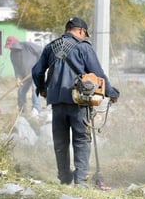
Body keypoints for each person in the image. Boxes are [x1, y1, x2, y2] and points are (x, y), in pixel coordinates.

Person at [31, 17, 119, 187]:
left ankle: (64, 178)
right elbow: (98, 74)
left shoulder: (51, 47)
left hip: (56, 102)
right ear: (81, 31)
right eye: (85, 34)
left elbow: (36, 71)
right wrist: (111, 93)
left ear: (67, 29)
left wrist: (42, 88)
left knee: (60, 142)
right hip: (79, 101)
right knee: (81, 140)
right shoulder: (84, 47)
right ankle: (81, 181)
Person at [5, 36, 42, 116]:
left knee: (35, 89)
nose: (10, 48)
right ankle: (22, 110)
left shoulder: (27, 46)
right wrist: (18, 78)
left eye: (11, 46)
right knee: (21, 92)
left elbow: (42, 51)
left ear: (16, 44)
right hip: (25, 76)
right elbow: (16, 68)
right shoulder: (12, 55)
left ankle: (36, 109)